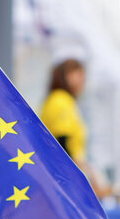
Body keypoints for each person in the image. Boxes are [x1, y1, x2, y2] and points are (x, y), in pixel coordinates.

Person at [40, 59, 109, 197]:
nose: (83, 82)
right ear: (68, 75)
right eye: (80, 76)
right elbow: (63, 146)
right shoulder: (60, 100)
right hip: (62, 180)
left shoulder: (64, 101)